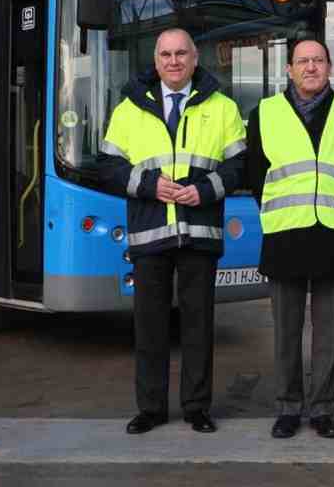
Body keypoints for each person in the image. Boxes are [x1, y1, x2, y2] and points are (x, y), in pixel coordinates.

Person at [98, 28, 247, 436]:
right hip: (150, 235)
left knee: (199, 327)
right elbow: (108, 167)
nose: (174, 61)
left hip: (201, 232)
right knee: (149, 328)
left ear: (196, 58)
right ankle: (151, 409)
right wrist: (148, 186)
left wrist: (204, 190)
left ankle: (197, 407)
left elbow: (239, 167)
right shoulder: (129, 108)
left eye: (181, 53)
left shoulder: (223, 108)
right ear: (156, 60)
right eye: (166, 54)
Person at [244, 39, 334, 440]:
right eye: (303, 61)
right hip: (284, 235)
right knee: (285, 331)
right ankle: (287, 408)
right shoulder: (264, 113)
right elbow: (254, 173)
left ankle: (322, 410)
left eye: (318, 60)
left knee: (328, 332)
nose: (311, 67)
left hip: (332, 234)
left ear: (330, 67)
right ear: (289, 70)